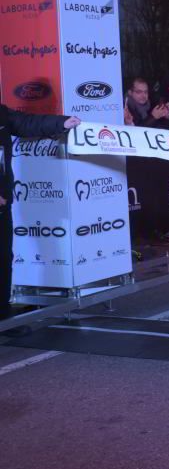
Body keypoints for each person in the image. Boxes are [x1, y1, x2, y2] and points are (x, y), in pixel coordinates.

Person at [1, 106, 81, 333]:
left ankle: (4, 320)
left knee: (3, 259)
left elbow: (27, 123)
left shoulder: (2, 113)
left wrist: (62, 123)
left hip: (3, 202)